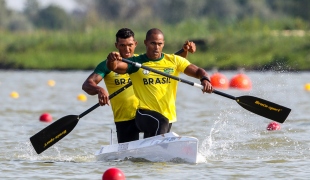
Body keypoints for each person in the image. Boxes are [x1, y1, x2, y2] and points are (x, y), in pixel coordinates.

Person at [82, 28, 196, 143]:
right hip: (125, 118)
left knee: (157, 131)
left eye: (130, 45)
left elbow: (170, 65)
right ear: (116, 45)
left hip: (147, 114)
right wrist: (99, 90)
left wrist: (185, 51)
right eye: (122, 45)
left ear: (135, 44)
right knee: (128, 159)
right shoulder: (109, 64)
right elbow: (87, 84)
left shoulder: (141, 61)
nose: (127, 49)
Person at [106, 28, 213, 139]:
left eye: (159, 44)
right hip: (144, 114)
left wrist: (205, 80)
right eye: (153, 43)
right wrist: (111, 60)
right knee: (161, 122)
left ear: (163, 44)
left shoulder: (174, 61)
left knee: (156, 133)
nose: (156, 47)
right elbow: (115, 67)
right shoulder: (136, 62)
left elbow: (199, 71)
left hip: (168, 115)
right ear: (145, 43)